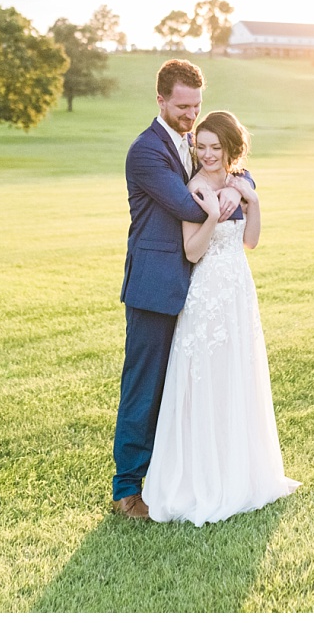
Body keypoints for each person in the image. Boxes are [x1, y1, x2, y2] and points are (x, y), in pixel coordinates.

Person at [141, 110, 299, 526]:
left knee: (236, 374)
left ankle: (240, 470)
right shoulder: (192, 188)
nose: (208, 154)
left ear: (230, 149)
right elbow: (192, 252)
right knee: (205, 376)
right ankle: (204, 476)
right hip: (207, 291)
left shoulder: (239, 181)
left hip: (238, 291)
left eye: (216, 148)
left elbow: (251, 240)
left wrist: (253, 199)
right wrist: (212, 214)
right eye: (202, 147)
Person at [112, 59, 241, 519]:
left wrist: (239, 183)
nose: (190, 115)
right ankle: (127, 489)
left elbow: (222, 167)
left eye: (196, 106)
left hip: (193, 288)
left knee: (180, 391)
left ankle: (173, 479)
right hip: (154, 285)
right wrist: (231, 195)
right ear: (161, 100)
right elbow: (187, 201)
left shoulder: (192, 145)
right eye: (182, 106)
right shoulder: (146, 151)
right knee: (143, 389)